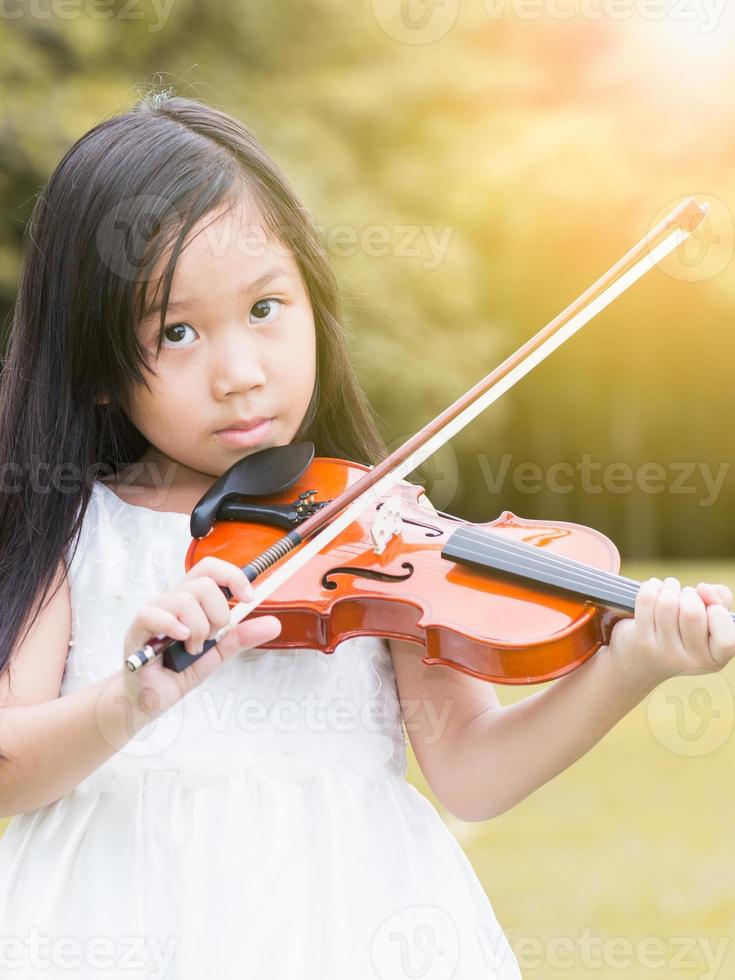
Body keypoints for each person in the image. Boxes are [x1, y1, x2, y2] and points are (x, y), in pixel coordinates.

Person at [0, 91, 733, 980]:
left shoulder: (382, 527)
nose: (239, 373)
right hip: (111, 922)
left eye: (266, 309)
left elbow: (472, 771)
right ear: (99, 368)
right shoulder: (79, 530)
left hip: (348, 919)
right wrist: (128, 700)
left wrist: (631, 664)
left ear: (312, 295)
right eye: (177, 331)